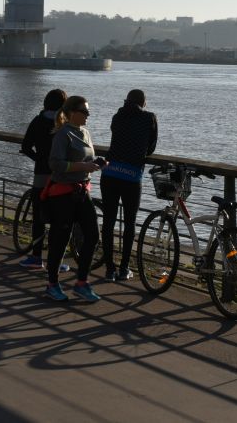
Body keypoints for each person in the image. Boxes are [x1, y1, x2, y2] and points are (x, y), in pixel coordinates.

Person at [43, 95, 103, 302]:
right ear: (71, 113)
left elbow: (84, 160)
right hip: (63, 193)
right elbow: (55, 163)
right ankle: (52, 284)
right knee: (60, 239)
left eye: (88, 111)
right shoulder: (63, 134)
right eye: (84, 111)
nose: (88, 115)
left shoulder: (85, 132)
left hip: (82, 190)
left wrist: (95, 164)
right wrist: (82, 167)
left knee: (93, 236)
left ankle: (81, 283)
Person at [99, 89, 158, 282]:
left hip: (110, 172)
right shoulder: (149, 118)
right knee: (129, 223)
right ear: (143, 102)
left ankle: (109, 269)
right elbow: (151, 148)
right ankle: (124, 269)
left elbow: (115, 136)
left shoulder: (118, 115)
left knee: (109, 221)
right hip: (132, 176)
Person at [17, 88, 67, 270]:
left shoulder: (38, 121)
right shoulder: (65, 124)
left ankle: (36, 257)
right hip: (61, 175)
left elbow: (26, 146)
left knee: (39, 216)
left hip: (41, 174)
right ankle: (55, 260)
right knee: (59, 218)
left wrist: (38, 159)